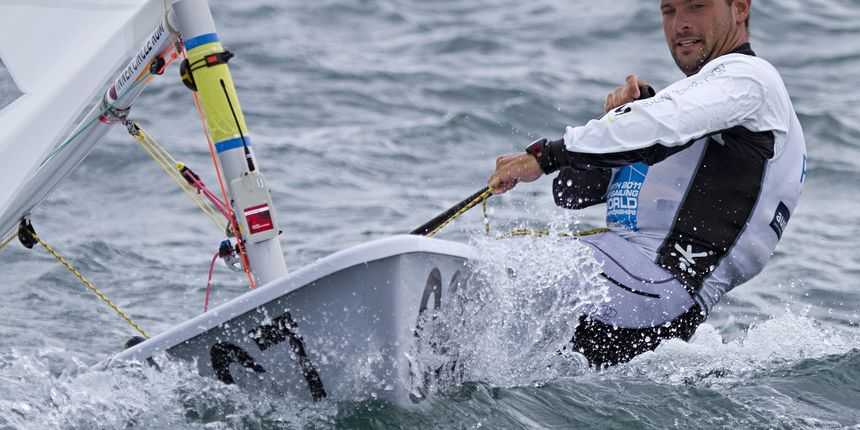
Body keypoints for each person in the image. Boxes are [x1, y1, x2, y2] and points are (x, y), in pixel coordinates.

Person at [487, 0, 806, 367]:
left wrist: (545, 155)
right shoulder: (698, 113)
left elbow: (661, 126)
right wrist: (617, 120)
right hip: (636, 292)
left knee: (498, 274)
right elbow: (572, 192)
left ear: (740, 8)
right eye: (669, 11)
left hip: (653, 292)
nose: (680, 24)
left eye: (696, 6)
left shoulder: (750, 80)